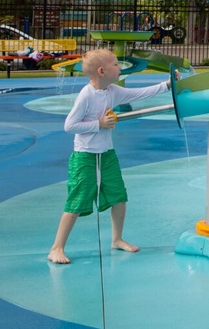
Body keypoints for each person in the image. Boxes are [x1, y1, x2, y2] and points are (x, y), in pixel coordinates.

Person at [47, 49, 173, 264]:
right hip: (85, 157)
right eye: (116, 64)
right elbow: (69, 125)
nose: (120, 68)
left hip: (107, 154)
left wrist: (167, 85)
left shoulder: (112, 91)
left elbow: (140, 93)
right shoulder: (86, 95)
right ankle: (56, 248)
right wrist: (99, 124)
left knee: (118, 196)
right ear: (102, 71)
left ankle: (117, 239)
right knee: (77, 200)